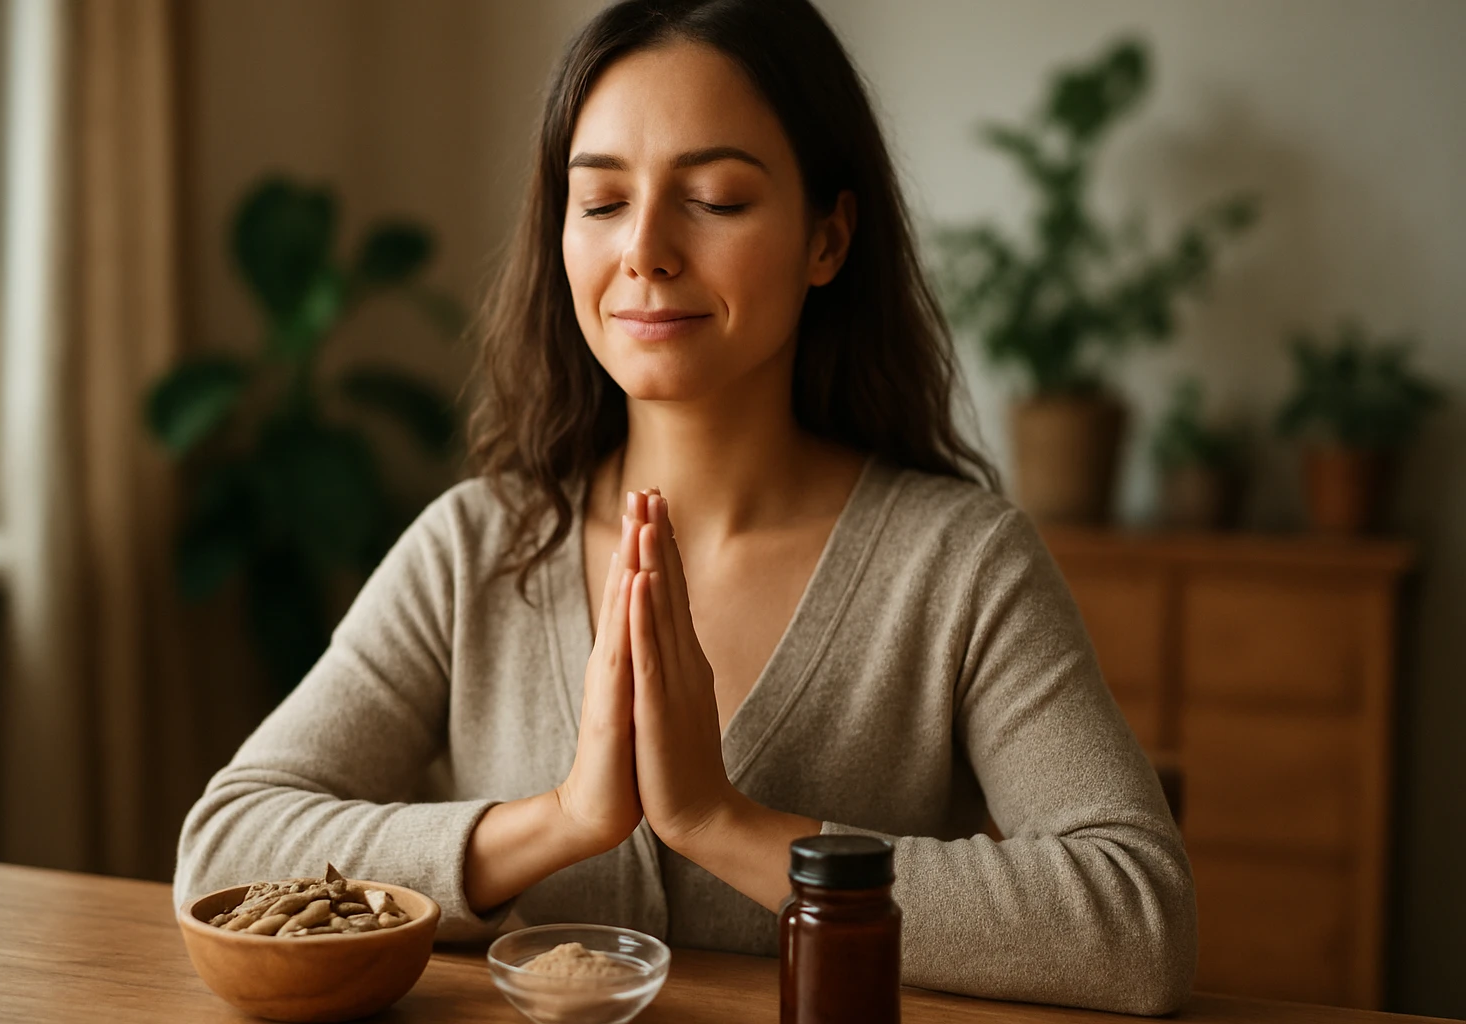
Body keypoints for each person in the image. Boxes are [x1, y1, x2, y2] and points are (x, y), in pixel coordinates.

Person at [174, 0, 1195, 1014]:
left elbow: (1139, 922)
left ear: (828, 239)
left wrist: (726, 823)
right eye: (603, 201)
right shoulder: (474, 545)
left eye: (714, 198)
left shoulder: (964, 564)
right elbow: (226, 844)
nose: (647, 250)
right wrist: (562, 820)